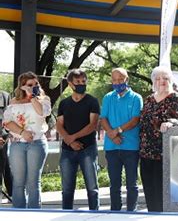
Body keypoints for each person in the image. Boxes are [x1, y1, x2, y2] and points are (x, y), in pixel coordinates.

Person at [139, 66, 178, 212]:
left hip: (165, 153)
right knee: (149, 190)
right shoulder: (148, 100)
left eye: (165, 78)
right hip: (146, 152)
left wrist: (171, 122)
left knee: (162, 192)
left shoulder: (176, 98)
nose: (162, 81)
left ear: (170, 80)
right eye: (158, 78)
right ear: (153, 81)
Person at [2, 71, 51, 208]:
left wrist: (33, 96)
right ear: (22, 86)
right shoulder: (14, 102)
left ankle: (35, 214)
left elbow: (42, 112)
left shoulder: (44, 99)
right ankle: (19, 214)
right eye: (30, 85)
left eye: (36, 84)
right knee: (18, 182)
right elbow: (7, 122)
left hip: (37, 143)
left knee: (33, 182)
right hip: (18, 144)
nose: (34, 86)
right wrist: (22, 132)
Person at [56, 69, 100, 210]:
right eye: (78, 82)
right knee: (67, 189)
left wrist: (72, 138)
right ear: (70, 84)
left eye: (83, 81)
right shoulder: (64, 103)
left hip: (88, 149)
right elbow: (59, 124)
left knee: (92, 189)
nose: (81, 84)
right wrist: (69, 141)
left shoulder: (92, 101)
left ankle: (94, 216)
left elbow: (92, 125)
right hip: (67, 151)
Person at [100, 68, 143, 211]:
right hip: (112, 147)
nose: (117, 83)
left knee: (132, 184)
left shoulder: (136, 98)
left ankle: (131, 212)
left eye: (120, 79)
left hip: (131, 147)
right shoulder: (107, 97)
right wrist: (112, 135)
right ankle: (115, 212)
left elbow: (135, 120)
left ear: (127, 79)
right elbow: (103, 118)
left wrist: (117, 131)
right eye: (114, 80)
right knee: (114, 185)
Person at [0, 90, 12, 201]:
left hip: (1, 138)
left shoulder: (5, 96)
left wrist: (4, 136)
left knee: (3, 162)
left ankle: (11, 192)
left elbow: (9, 118)